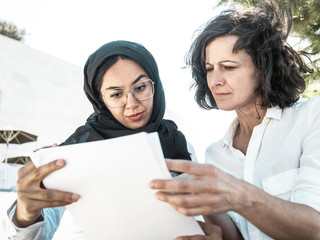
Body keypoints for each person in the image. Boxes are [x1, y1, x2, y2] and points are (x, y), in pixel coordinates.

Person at [6, 40, 220, 239]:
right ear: (100, 99)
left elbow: (197, 220)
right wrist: (25, 215)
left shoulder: (179, 145)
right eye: (116, 94)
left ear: (155, 85)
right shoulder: (77, 152)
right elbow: (37, 234)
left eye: (140, 87)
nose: (132, 103)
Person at [150, 2, 320, 240]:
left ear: (264, 67)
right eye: (209, 68)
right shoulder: (215, 156)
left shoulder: (312, 118)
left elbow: (315, 229)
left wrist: (238, 195)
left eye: (228, 67)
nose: (215, 80)